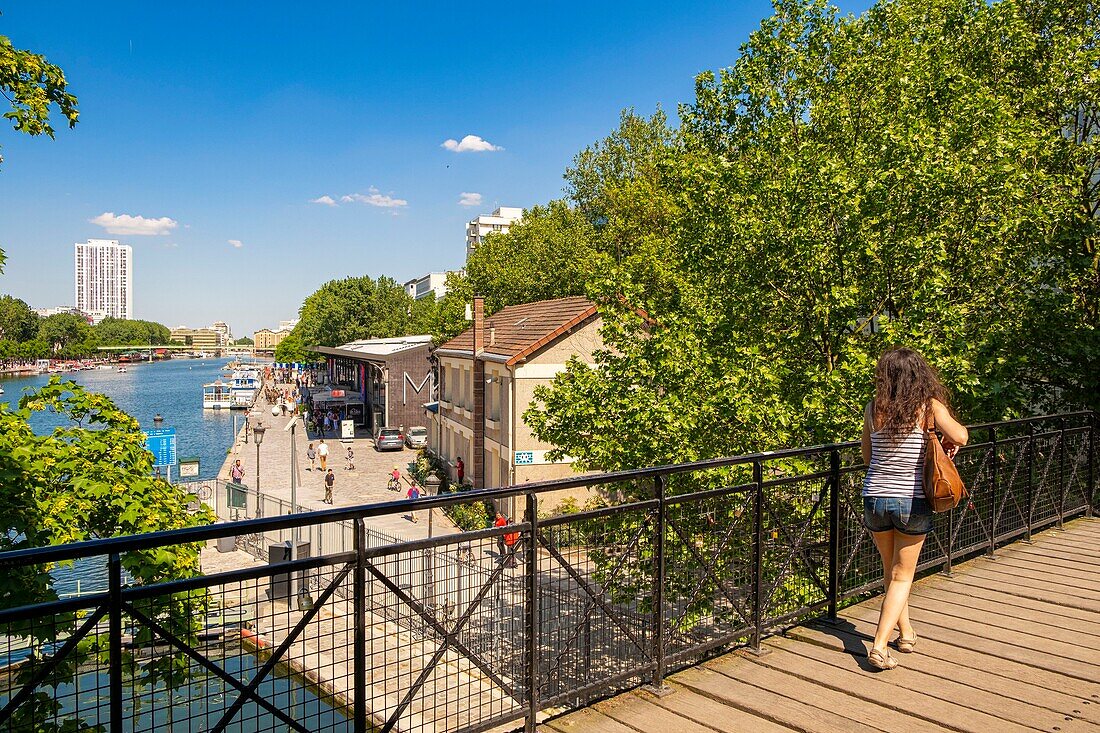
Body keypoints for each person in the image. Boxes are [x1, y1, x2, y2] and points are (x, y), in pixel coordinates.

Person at [861, 347, 968, 670]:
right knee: (903, 575)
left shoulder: (872, 408)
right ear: (920, 375)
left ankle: (905, 633)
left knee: (891, 572)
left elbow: (868, 458)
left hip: (875, 497)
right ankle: (879, 646)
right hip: (911, 500)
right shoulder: (929, 407)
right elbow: (961, 435)